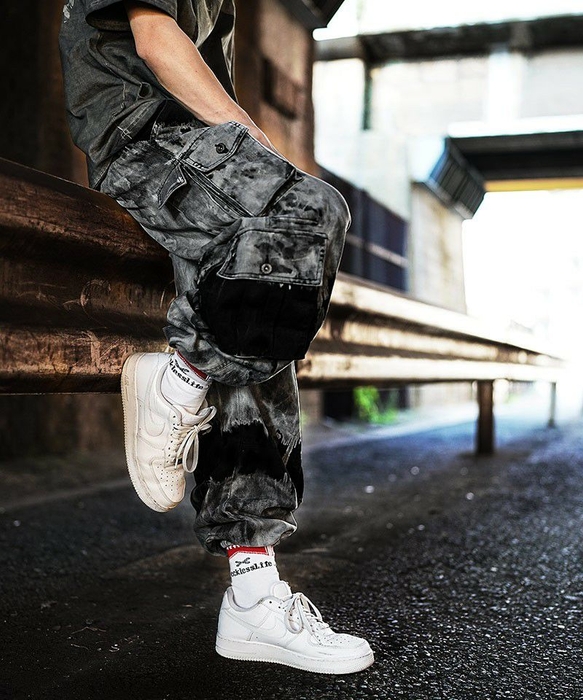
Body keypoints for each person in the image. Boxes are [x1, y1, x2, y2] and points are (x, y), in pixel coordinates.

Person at [58, 0, 374, 674]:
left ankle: (254, 597)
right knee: (306, 209)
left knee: (260, 293)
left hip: (191, 149)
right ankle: (179, 380)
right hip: (142, 138)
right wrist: (256, 146)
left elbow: (207, 80)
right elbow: (154, 36)